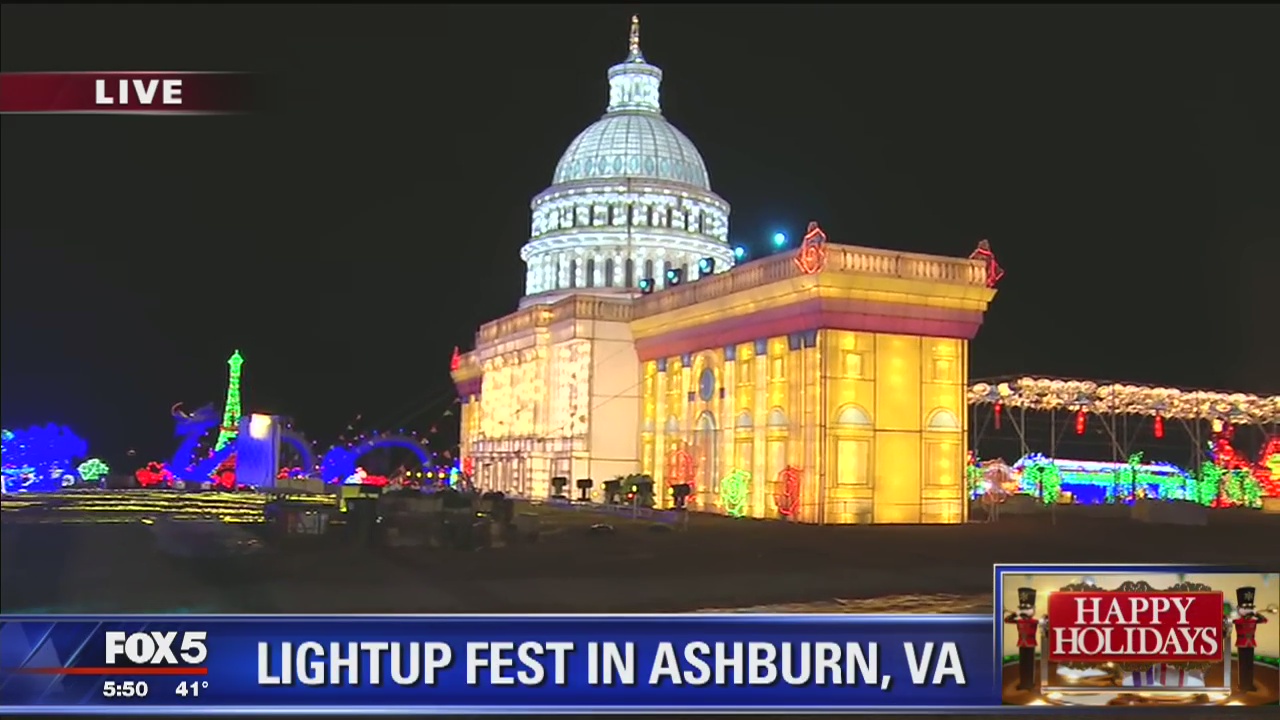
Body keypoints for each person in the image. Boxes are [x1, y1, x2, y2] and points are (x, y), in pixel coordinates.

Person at [1232, 586, 1270, 692]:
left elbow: (1265, 620)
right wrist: (1241, 614)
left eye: (1250, 608)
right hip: (1242, 643)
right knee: (1243, 666)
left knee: (1249, 666)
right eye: (1246, 608)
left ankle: (1249, 685)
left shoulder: (1253, 620)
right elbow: (1232, 620)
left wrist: (1256, 614)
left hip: (1251, 643)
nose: (1248, 610)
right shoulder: (1238, 620)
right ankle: (1242, 685)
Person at [1005, 587, 1041, 690]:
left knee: (1029, 665)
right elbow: (1007, 620)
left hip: (1030, 644)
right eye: (1022, 609)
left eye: (1027, 609)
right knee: (1022, 665)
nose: (1024, 611)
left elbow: (1042, 622)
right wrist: (1015, 614)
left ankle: (1029, 684)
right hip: (1021, 643)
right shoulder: (1019, 620)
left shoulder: (1034, 621)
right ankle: (1023, 683)